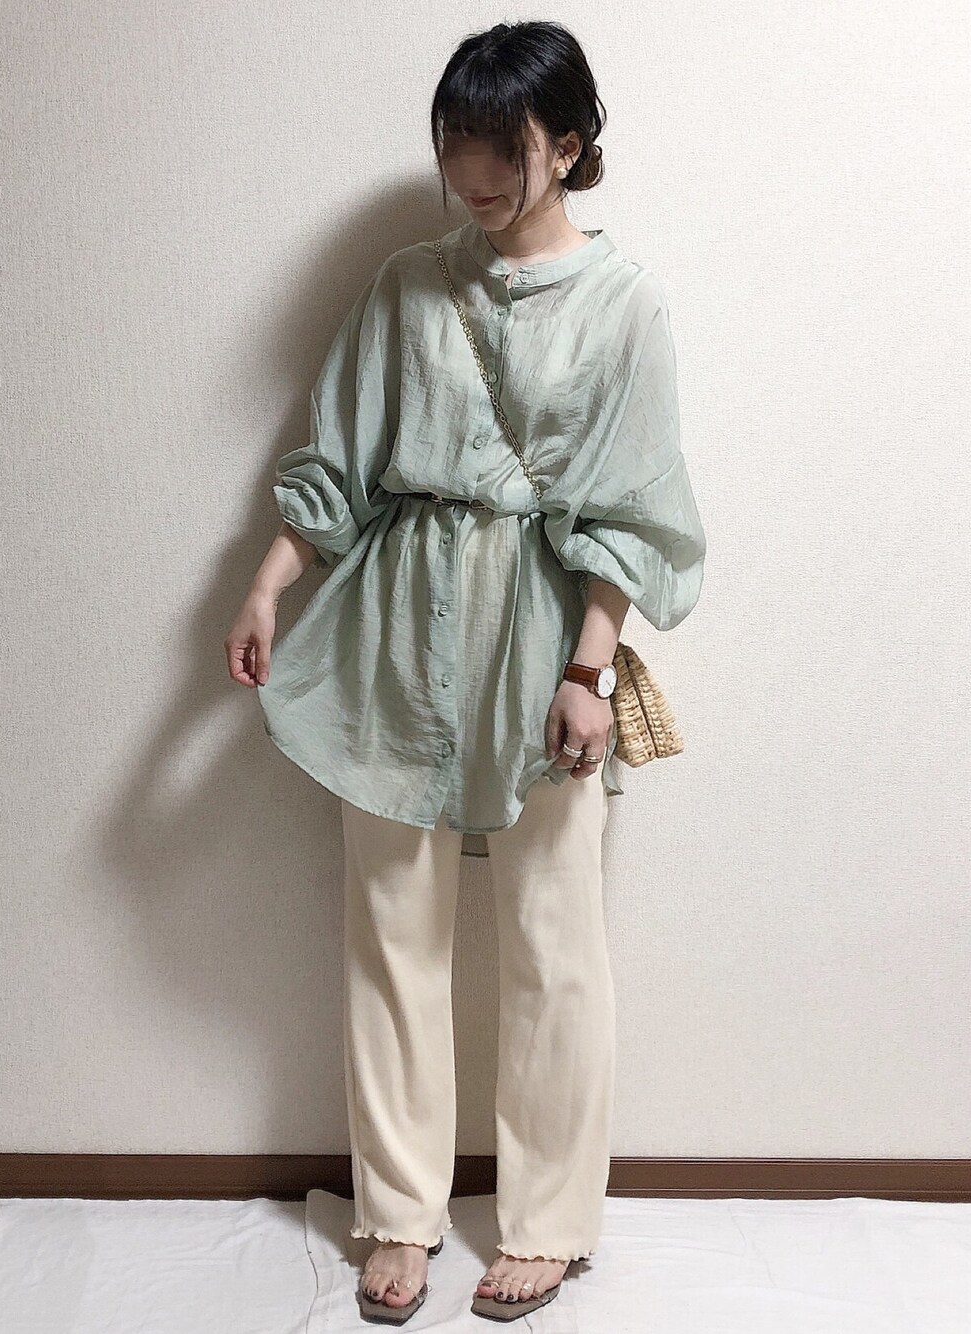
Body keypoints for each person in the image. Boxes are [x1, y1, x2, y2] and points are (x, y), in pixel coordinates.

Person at [225, 18, 706, 1325]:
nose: (472, 174)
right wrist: (269, 581)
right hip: (394, 631)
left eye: (502, 146)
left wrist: (589, 671)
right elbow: (338, 457)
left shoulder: (624, 302)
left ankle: (549, 1221)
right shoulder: (405, 285)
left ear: (571, 143)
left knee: (555, 935)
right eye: (455, 143)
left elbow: (632, 509)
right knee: (391, 929)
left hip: (539, 640)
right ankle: (398, 1212)